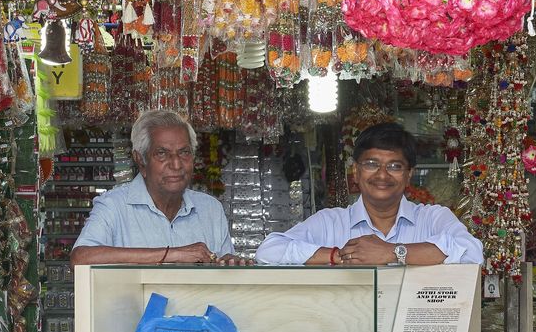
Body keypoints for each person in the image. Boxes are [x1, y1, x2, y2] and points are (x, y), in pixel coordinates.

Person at [256, 122, 483, 267]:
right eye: (372, 164)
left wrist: (393, 253)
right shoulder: (330, 221)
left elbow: (472, 252)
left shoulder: (433, 218)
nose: (382, 175)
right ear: (356, 171)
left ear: (408, 175)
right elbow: (268, 251)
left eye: (394, 166)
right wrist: (339, 255)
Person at [70, 109, 248, 266]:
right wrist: (173, 254)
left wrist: (230, 263)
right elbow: (80, 258)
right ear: (140, 159)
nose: (176, 164)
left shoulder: (210, 209)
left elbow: (223, 273)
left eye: (184, 152)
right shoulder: (114, 206)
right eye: (162, 154)